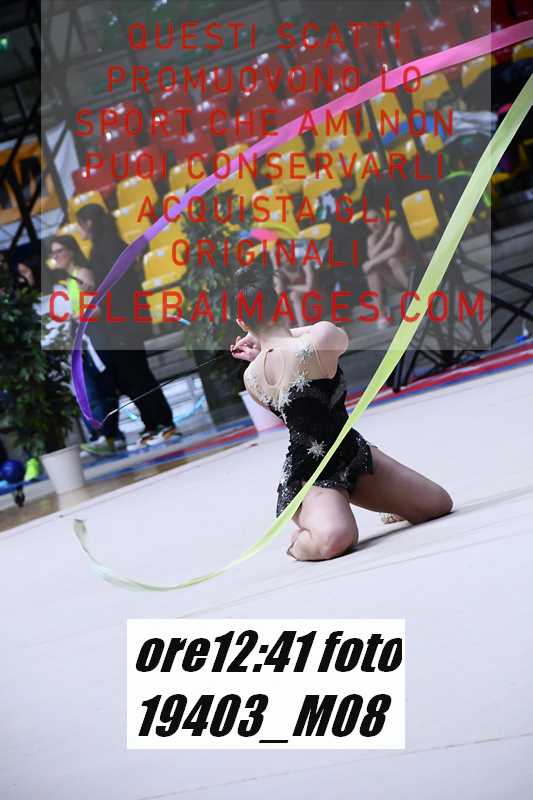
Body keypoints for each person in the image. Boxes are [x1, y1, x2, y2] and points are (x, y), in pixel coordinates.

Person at [230, 269, 452, 562]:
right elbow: (313, 340)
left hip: (352, 454)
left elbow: (285, 363)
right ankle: (299, 541)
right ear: (281, 304)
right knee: (337, 538)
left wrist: (262, 341)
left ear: (242, 322)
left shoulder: (251, 377)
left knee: (437, 504)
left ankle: (387, 502)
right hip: (309, 477)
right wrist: (269, 337)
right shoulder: (321, 336)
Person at [76, 204, 182, 447]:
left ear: (89, 223)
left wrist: (95, 293)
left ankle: (164, 422)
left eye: (80, 224)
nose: (80, 229)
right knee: (128, 378)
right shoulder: (103, 247)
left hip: (124, 323)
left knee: (138, 376)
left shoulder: (109, 248)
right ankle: (152, 423)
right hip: (118, 324)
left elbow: (118, 288)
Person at [47, 234, 127, 455]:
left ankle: (107, 436)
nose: (55, 256)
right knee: (89, 390)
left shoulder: (82, 274)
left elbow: (96, 311)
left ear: (71, 251)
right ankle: (106, 436)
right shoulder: (63, 282)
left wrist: (75, 316)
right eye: (53, 253)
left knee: (100, 388)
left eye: (59, 251)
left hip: (93, 337)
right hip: (78, 340)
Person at [361, 209, 413, 328]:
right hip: (393, 280)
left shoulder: (396, 229)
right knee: (372, 272)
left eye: (375, 218)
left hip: (411, 274)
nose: (373, 223)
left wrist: (389, 233)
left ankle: (416, 297)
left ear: (383, 217)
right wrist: (386, 236)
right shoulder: (371, 238)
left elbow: (395, 250)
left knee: (392, 260)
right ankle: (381, 315)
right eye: (369, 221)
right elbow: (372, 256)